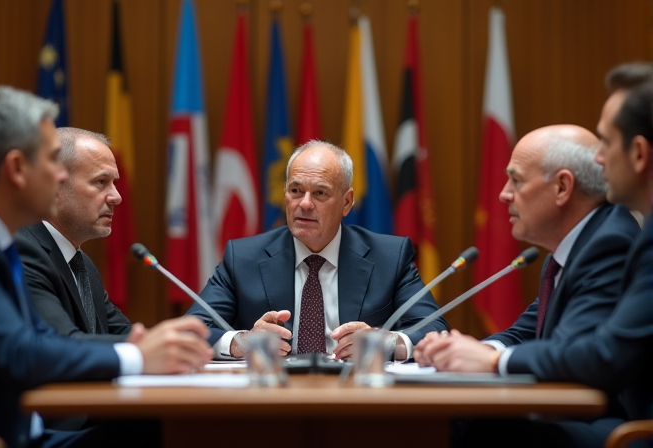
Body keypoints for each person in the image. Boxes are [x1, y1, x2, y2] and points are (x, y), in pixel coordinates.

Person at [415, 65, 653, 448]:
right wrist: (470, 351)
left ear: (562, 187)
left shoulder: (612, 241)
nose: (600, 160)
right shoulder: (576, 246)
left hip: (624, 426)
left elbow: (599, 354)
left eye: (517, 180)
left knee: (487, 429)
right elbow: (529, 334)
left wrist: (492, 362)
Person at [0, 86, 213, 448]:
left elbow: (45, 341)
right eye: (53, 161)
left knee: (173, 427)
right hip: (3, 439)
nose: (59, 177)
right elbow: (22, 352)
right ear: (18, 168)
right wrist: (136, 355)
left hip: (31, 433)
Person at [187, 140, 447, 360]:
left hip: (358, 399)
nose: (305, 204)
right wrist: (242, 342)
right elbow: (193, 330)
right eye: (296, 191)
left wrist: (383, 342)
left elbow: (434, 328)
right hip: (272, 401)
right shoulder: (243, 257)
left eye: (320, 193)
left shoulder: (389, 257)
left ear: (346, 202)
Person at [15, 127, 131, 342]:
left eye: (114, 183)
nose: (117, 197)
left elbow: (124, 334)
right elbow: (60, 341)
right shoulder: (22, 250)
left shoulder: (81, 263)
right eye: (101, 182)